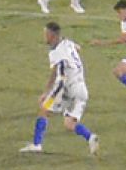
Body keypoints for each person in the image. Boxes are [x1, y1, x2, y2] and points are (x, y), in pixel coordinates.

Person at [20, 21, 97, 155]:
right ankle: (90, 137)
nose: (44, 37)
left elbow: (59, 77)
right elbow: (78, 48)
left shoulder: (56, 53)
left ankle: (37, 144)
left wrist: (48, 94)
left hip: (68, 90)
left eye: (46, 34)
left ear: (52, 35)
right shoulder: (67, 42)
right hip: (82, 90)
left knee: (44, 109)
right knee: (69, 124)